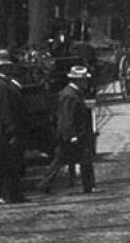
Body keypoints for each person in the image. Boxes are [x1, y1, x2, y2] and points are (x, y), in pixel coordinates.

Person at [39, 65, 96, 194]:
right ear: (78, 81)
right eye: (84, 80)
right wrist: (72, 135)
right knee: (63, 160)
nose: (86, 83)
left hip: (77, 134)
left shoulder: (74, 93)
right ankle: (44, 184)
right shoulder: (69, 95)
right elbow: (67, 117)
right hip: (72, 135)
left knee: (83, 159)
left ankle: (89, 186)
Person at [0, 49, 27, 205]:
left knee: (5, 164)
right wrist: (11, 131)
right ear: (3, 68)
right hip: (2, 130)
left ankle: (10, 194)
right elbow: (5, 110)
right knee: (5, 163)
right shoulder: (1, 86)